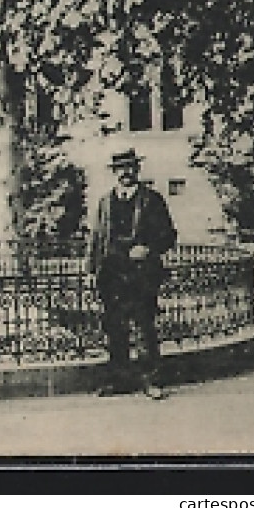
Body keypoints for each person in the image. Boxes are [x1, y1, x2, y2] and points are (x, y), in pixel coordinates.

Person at [88, 146, 177, 399]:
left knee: (144, 326)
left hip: (142, 273)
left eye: (129, 167)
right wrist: (92, 269)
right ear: (114, 172)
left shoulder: (152, 199)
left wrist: (148, 248)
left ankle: (151, 381)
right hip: (112, 274)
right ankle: (120, 380)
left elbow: (169, 236)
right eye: (120, 169)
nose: (125, 173)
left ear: (137, 170)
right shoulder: (105, 202)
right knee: (115, 327)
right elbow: (97, 237)